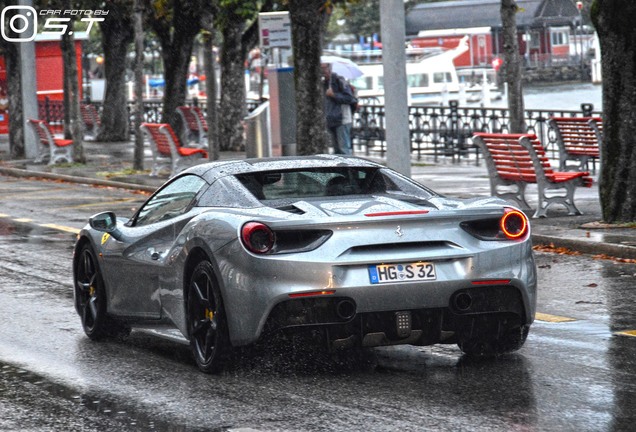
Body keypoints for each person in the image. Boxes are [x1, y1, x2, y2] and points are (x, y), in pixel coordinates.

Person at [322, 63, 357, 155]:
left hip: (342, 119)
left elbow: (349, 98)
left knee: (343, 149)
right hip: (331, 119)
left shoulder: (339, 80)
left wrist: (334, 95)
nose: (322, 71)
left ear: (329, 68)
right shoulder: (324, 83)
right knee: (336, 150)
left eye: (324, 68)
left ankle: (348, 168)